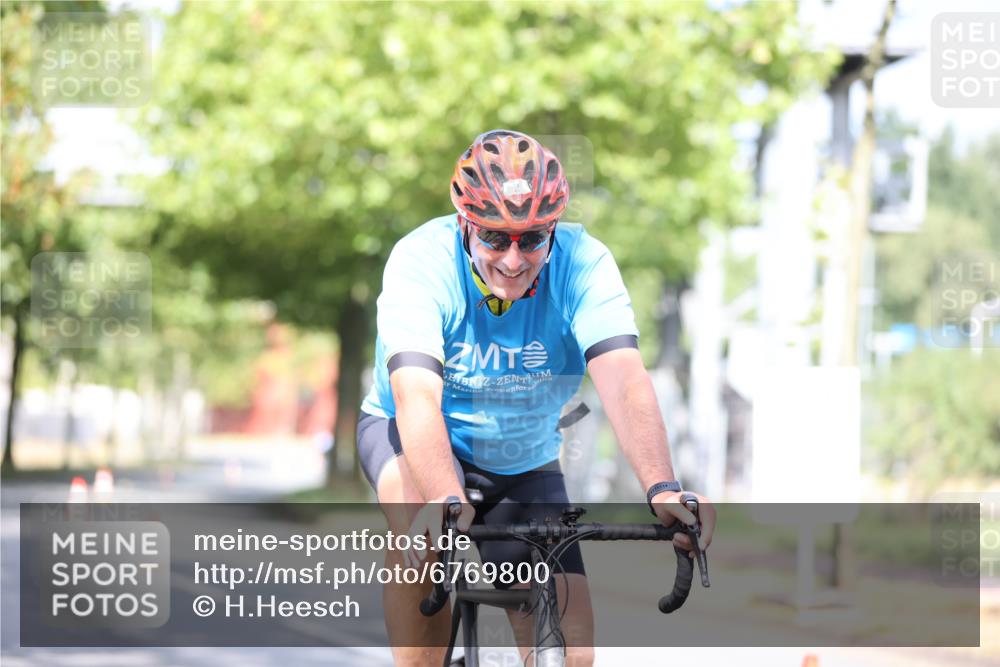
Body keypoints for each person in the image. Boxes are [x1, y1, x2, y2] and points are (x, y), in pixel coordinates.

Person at [357, 129, 715, 667]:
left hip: (522, 458)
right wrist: (443, 500)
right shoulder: (420, 262)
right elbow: (416, 397)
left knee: (574, 654)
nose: (513, 258)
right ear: (464, 225)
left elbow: (622, 379)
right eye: (494, 239)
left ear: (553, 230)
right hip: (415, 438)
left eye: (531, 239)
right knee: (422, 531)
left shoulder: (584, 263)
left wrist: (662, 488)